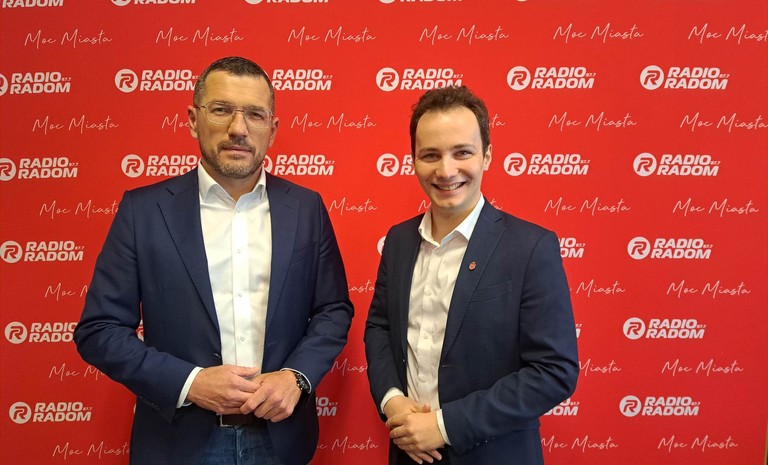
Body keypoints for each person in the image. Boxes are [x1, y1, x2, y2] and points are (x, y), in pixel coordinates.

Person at [74, 56, 353, 465]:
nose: (238, 128)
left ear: (272, 129)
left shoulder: (306, 209)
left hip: (281, 442)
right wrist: (191, 382)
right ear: (193, 120)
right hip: (178, 443)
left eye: (255, 114)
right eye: (221, 110)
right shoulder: (143, 212)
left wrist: (296, 377)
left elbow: (333, 309)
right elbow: (99, 330)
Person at [364, 86, 578, 465]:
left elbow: (554, 371)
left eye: (462, 152)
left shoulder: (531, 247)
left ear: (487, 155)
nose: (446, 171)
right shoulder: (398, 240)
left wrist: (444, 426)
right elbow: (380, 328)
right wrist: (392, 400)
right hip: (408, 453)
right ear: (413, 160)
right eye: (431, 155)